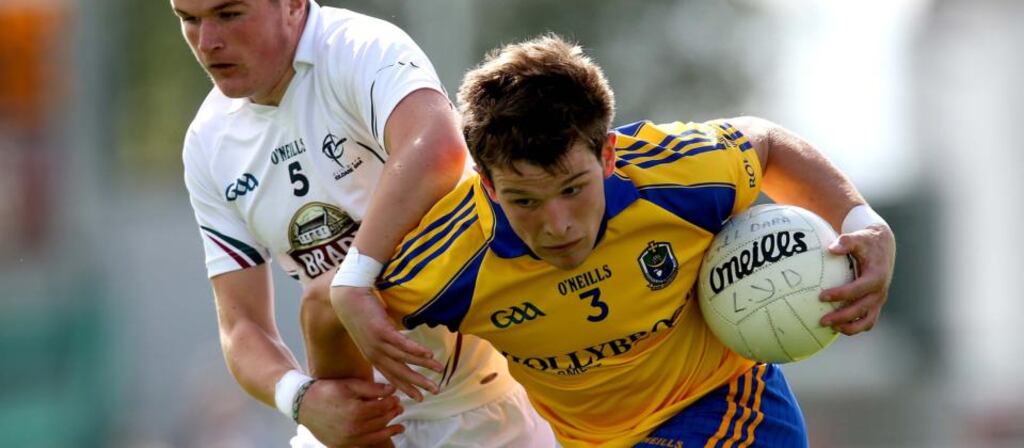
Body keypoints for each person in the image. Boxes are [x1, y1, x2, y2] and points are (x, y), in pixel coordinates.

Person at [328, 34, 897, 447]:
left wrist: (861, 221)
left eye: (574, 189)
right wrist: (321, 400)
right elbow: (324, 309)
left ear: (607, 155)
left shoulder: (678, 178)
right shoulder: (449, 260)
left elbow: (766, 145)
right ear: (486, 183)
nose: (558, 224)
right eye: (524, 200)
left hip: (727, 406)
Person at [158, 0, 555, 448]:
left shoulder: (360, 50)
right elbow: (241, 325)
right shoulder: (207, 141)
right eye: (188, 18)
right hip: (349, 416)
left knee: (324, 301)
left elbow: (439, 146)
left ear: (293, 0)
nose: (207, 41)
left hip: (479, 407)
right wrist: (301, 397)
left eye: (228, 13)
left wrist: (354, 280)